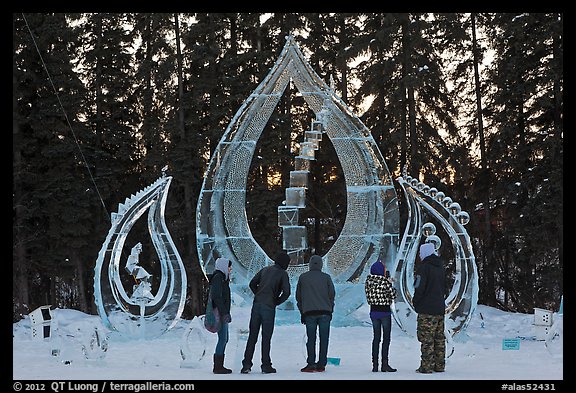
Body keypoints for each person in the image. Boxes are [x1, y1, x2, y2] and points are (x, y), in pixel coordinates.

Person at [240, 251, 291, 374]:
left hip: (256, 305)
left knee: (252, 336)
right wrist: (276, 301)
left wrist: (258, 294)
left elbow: (252, 283)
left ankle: (246, 364)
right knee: (266, 337)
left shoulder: (265, 270)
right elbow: (287, 292)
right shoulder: (283, 274)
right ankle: (266, 365)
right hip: (269, 307)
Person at [296, 255, 336, 373]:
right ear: (321, 265)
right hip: (325, 313)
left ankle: (311, 363)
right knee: (324, 339)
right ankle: (321, 364)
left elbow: (298, 296)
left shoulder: (303, 278)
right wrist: (330, 309)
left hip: (309, 313)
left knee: (311, 339)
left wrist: (302, 311)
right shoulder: (326, 277)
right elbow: (332, 295)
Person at [413, 242, 446, 374]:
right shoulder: (440, 267)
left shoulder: (424, 268)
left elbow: (419, 287)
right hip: (439, 307)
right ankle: (439, 365)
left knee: (426, 339)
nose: (420, 256)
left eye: (421, 253)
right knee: (439, 338)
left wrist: (416, 302)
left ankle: (426, 366)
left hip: (426, 309)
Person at [364, 259, 397, 372]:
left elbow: (369, 297)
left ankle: (375, 365)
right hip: (385, 312)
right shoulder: (385, 282)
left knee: (376, 338)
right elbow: (392, 295)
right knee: (386, 339)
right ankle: (384, 364)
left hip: (374, 312)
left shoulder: (368, 282)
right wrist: (391, 285)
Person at [209, 257, 233, 374]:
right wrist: (224, 313)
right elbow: (217, 297)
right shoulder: (218, 278)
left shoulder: (222, 278)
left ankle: (219, 365)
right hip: (220, 313)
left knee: (224, 338)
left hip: (223, 312)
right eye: (229, 266)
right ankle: (218, 367)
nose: (230, 269)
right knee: (223, 338)